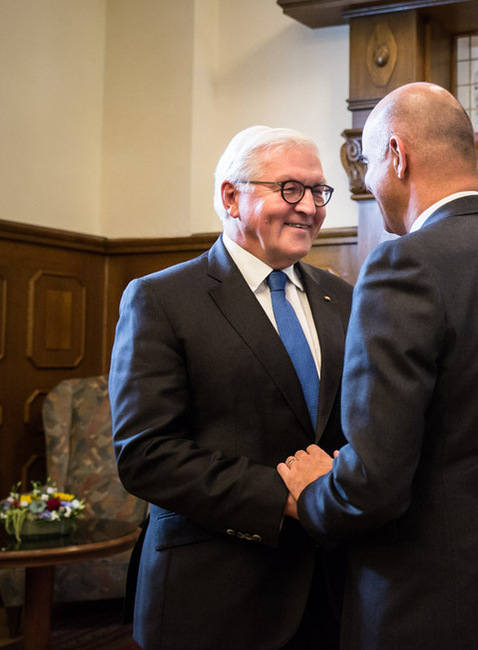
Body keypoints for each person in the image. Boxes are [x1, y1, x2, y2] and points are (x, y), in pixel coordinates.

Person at [276, 82, 478, 649]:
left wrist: (313, 495)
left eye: (367, 164)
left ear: (397, 156)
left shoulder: (404, 265)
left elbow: (375, 482)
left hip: (426, 599)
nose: (368, 184)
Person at [109, 125, 354, 649]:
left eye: (318, 191)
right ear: (230, 196)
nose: (309, 207)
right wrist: (285, 497)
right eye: (290, 189)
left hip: (332, 596)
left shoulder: (343, 298)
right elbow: (145, 454)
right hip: (213, 597)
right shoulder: (161, 299)